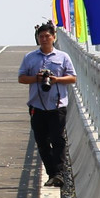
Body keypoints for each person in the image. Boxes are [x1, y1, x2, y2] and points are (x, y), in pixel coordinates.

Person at [17, 21, 77, 187]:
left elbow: (73, 78)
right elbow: (21, 78)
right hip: (37, 106)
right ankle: (52, 173)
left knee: (58, 140)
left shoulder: (63, 57)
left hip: (57, 106)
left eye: (47, 36)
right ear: (38, 38)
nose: (44, 39)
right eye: (41, 36)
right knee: (42, 142)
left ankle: (58, 173)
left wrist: (57, 79)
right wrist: (36, 78)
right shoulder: (29, 58)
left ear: (53, 37)